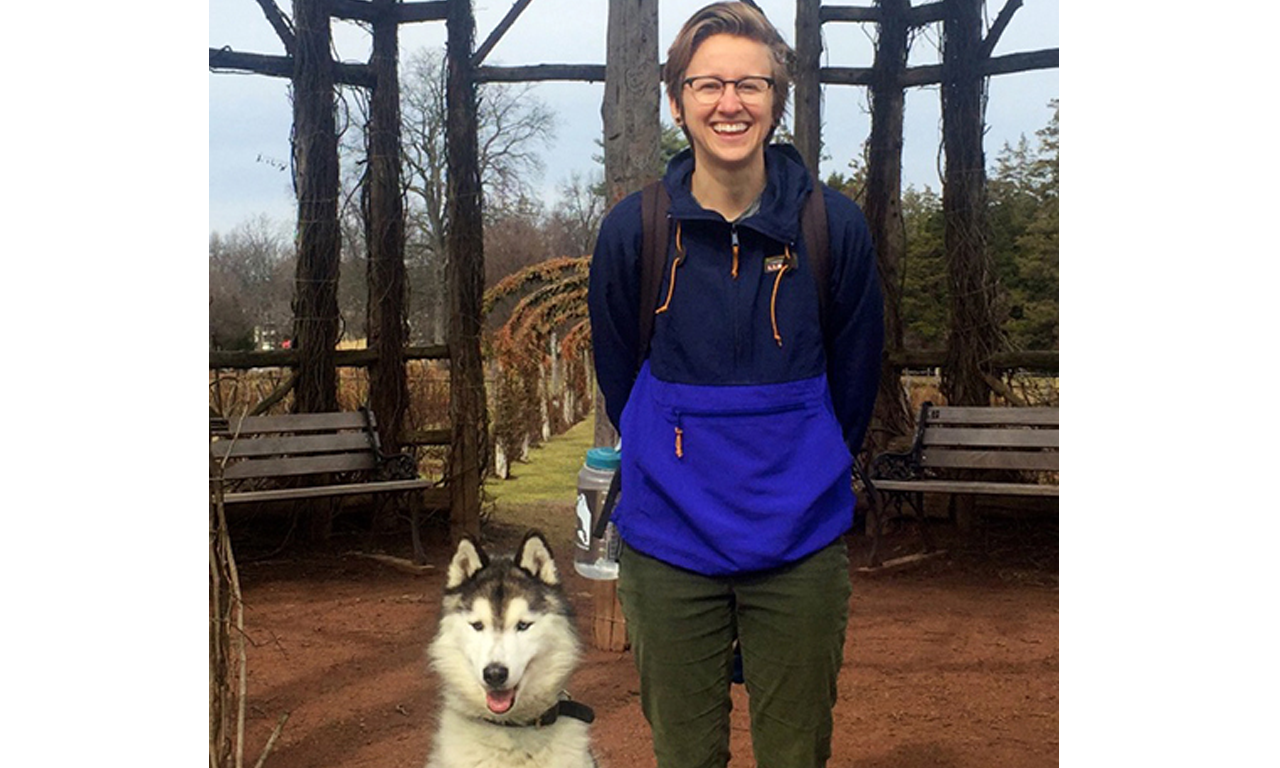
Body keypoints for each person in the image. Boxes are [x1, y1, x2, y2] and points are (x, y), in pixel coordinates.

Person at [587, 2, 884, 767]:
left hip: (802, 541)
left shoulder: (832, 228)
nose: (730, 103)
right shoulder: (635, 231)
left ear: (777, 98)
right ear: (676, 99)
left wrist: (804, 464)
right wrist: (672, 447)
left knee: (795, 753)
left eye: (750, 84)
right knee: (685, 754)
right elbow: (622, 378)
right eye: (708, 83)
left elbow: (855, 384)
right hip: (668, 544)